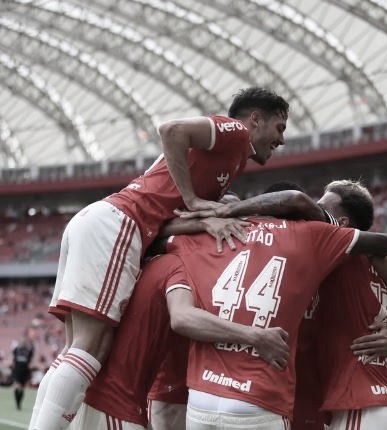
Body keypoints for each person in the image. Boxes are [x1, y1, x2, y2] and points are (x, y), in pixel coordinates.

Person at [29, 87, 290, 430]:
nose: (281, 140)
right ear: (255, 119)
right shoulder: (236, 133)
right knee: (92, 346)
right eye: (279, 127)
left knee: (75, 349)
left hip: (108, 221)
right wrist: (194, 201)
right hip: (120, 224)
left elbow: (164, 219)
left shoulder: (228, 161)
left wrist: (200, 217)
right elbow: (171, 130)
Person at [164, 216, 387, 429]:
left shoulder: (204, 241)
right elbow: (384, 244)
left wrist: (205, 221)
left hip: (205, 393)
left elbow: (158, 234)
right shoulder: (309, 237)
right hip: (266, 395)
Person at [71, 253, 289, 430]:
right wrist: (255, 337)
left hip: (150, 396)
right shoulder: (178, 262)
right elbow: (182, 317)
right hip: (131, 401)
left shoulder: (141, 263)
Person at [314, 180, 387, 430]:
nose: (314, 211)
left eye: (322, 208)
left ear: (343, 224)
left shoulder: (337, 251)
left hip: (359, 403)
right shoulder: (373, 260)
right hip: (377, 399)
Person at [12, 336, 34, 410]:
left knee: (22, 388)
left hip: (25, 371)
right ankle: (17, 403)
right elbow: (13, 359)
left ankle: (19, 403)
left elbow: (31, 360)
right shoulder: (16, 349)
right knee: (17, 386)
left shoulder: (29, 351)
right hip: (17, 370)